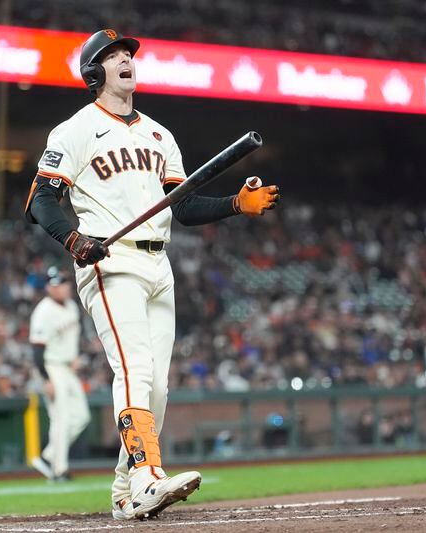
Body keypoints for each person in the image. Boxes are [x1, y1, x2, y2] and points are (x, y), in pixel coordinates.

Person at [25, 29, 279, 520]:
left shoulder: (159, 134)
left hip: (158, 264)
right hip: (109, 261)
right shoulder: (73, 131)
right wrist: (73, 240)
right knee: (135, 371)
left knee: (157, 388)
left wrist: (234, 204)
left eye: (129, 55)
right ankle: (148, 474)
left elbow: (181, 208)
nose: (126, 61)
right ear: (94, 72)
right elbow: (40, 201)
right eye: (114, 56)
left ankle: (126, 491)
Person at [29, 267, 90, 481]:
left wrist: (74, 357)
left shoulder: (72, 307)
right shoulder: (43, 311)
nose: (61, 287)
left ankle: (48, 457)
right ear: (48, 288)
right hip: (50, 365)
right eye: (56, 284)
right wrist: (45, 379)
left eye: (64, 283)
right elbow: (37, 350)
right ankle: (59, 469)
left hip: (67, 367)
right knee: (61, 417)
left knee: (82, 416)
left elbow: (72, 339)